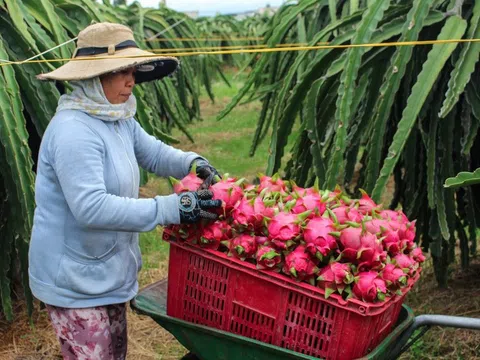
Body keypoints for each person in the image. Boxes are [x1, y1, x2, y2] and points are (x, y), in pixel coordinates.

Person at [28, 22, 222, 359]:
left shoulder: (116, 117)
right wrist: (171, 208)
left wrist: (192, 163)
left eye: (132, 70)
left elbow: (152, 152)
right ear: (92, 77)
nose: (131, 79)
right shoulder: (74, 130)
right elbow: (92, 208)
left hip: (105, 271)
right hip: (73, 280)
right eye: (120, 72)